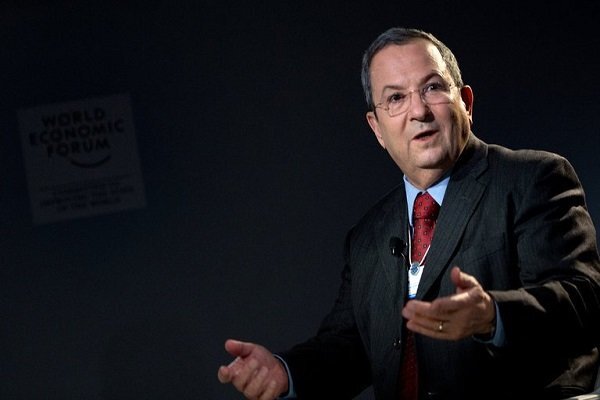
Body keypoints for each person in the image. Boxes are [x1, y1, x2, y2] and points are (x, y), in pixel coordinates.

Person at [217, 27, 600, 400]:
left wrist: (493, 316)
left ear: (466, 103)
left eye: (432, 88)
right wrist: (285, 373)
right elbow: (349, 346)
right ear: (377, 129)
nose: (418, 111)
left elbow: (584, 300)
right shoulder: (368, 235)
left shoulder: (532, 178)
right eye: (396, 98)